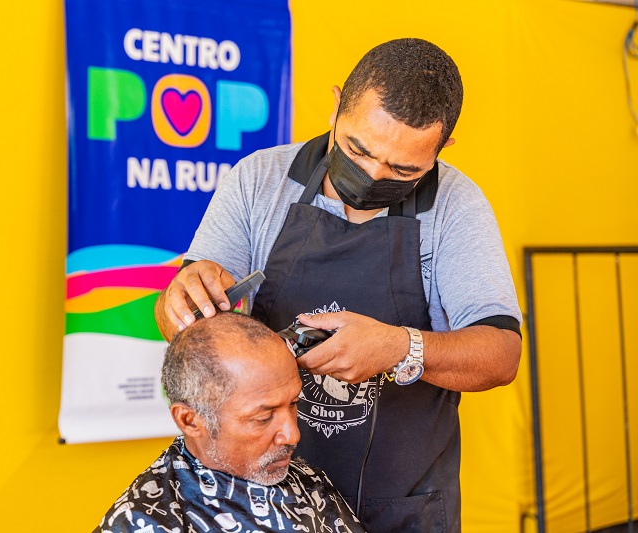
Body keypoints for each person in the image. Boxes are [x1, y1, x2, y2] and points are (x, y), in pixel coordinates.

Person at [154, 38, 522, 532]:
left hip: (399, 505)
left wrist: (399, 348)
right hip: (264, 504)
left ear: (441, 150)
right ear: (334, 106)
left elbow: (501, 355)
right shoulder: (258, 180)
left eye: (403, 169)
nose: (372, 176)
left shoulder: (456, 207)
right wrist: (181, 303)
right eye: (357, 149)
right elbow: (184, 320)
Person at [93, 313, 364, 533]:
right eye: (263, 417)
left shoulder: (309, 481)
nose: (292, 435)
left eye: (293, 403)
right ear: (190, 420)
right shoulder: (144, 522)